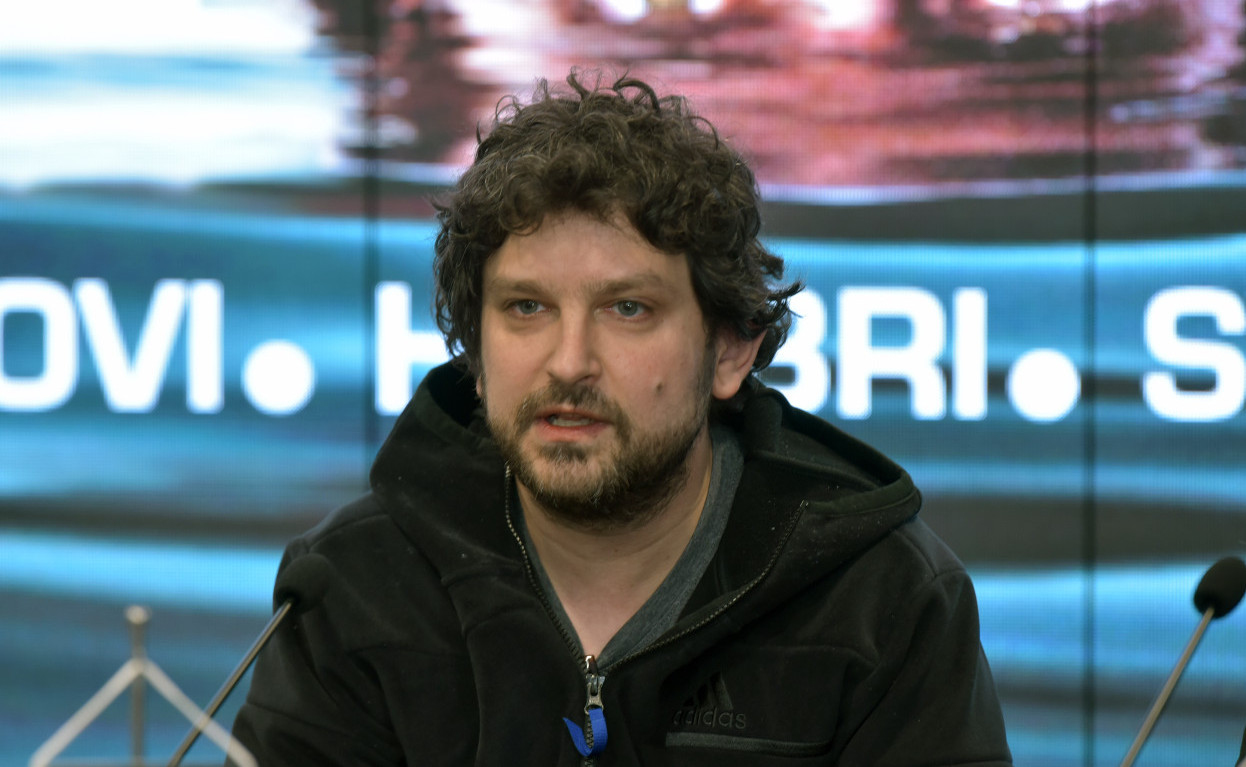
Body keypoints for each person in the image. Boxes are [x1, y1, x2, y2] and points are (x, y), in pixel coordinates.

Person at [230, 70, 1011, 765]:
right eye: (526, 307)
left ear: (730, 350)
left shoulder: (882, 598)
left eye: (627, 308)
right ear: (476, 349)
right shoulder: (354, 588)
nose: (569, 361)